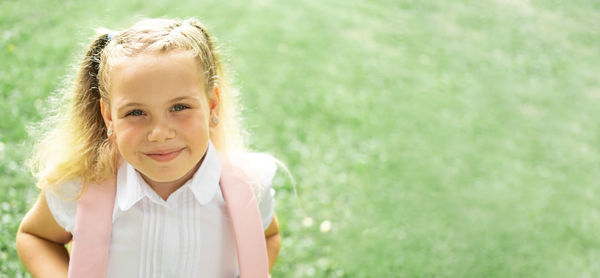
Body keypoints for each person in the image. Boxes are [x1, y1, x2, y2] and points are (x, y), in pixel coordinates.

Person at [16, 18, 281, 277]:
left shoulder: (249, 188)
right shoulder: (78, 188)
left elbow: (268, 235)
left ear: (212, 105)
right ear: (109, 117)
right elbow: (35, 237)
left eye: (179, 107)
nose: (159, 133)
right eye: (136, 112)